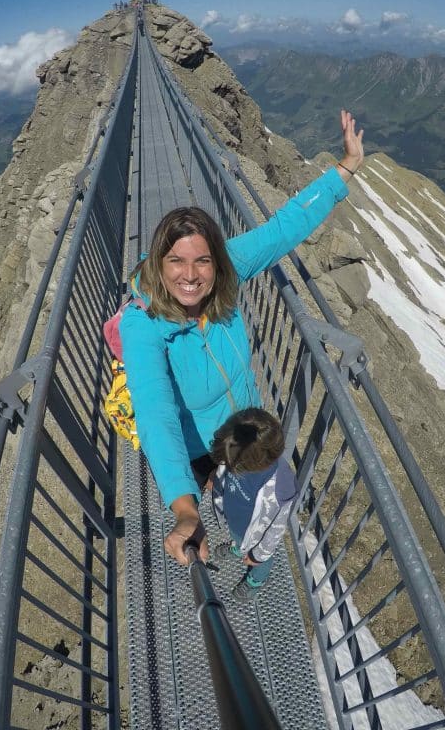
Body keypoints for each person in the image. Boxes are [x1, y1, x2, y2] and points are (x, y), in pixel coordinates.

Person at [120, 109, 364, 565]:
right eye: (175, 261)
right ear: (158, 263)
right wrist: (183, 508)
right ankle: (223, 517)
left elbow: (281, 230)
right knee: (234, 494)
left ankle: (248, 550)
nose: (190, 276)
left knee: (264, 490)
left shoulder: (226, 270)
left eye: (202, 262)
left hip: (243, 426)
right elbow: (155, 415)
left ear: (217, 261)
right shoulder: (144, 324)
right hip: (200, 449)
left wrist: (346, 168)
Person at [209, 407, 296, 601]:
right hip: (237, 523)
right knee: (239, 539)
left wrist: (258, 555)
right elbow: (225, 473)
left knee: (262, 561)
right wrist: (217, 480)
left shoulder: (280, 487)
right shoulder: (240, 455)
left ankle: (256, 579)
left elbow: (275, 529)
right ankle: (238, 548)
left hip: (257, 536)